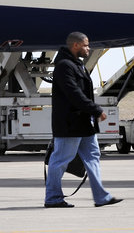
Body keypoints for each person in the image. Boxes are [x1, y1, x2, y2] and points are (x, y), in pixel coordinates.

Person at [44, 32, 122, 208]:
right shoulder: (65, 66)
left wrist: (92, 114)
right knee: (60, 160)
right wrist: (95, 110)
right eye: (86, 45)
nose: (89, 48)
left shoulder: (77, 65)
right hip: (70, 124)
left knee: (93, 156)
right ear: (76, 46)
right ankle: (53, 198)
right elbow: (74, 94)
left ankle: (101, 196)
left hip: (84, 125)